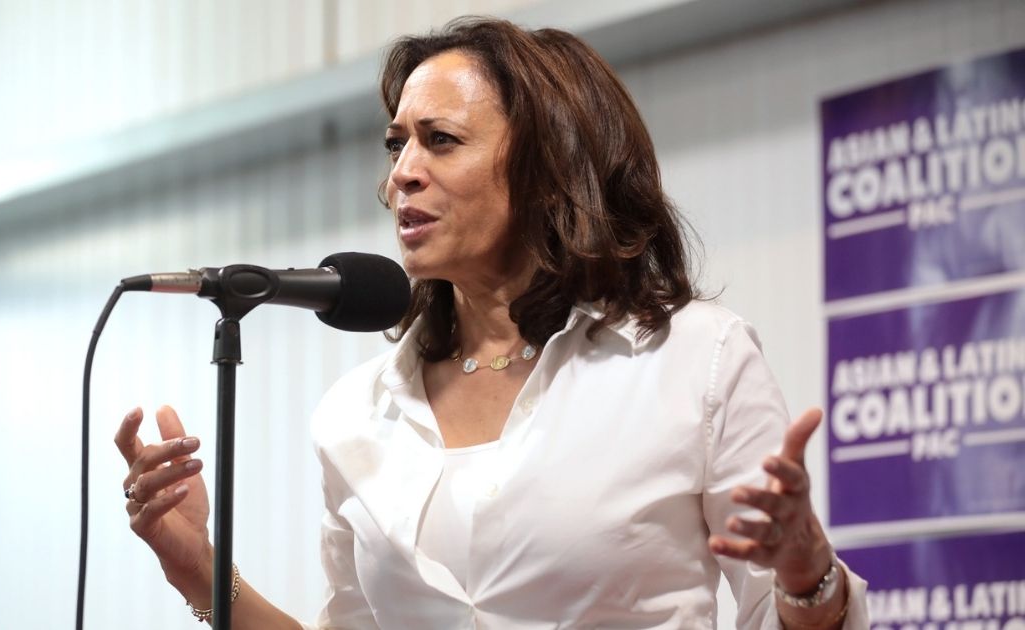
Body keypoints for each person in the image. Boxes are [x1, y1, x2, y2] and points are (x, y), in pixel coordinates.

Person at [114, 17, 870, 629]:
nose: (401, 171)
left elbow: (785, 615)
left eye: (439, 140)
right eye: (396, 144)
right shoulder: (355, 413)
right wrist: (197, 567)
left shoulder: (696, 359)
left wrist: (807, 571)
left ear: (548, 169)